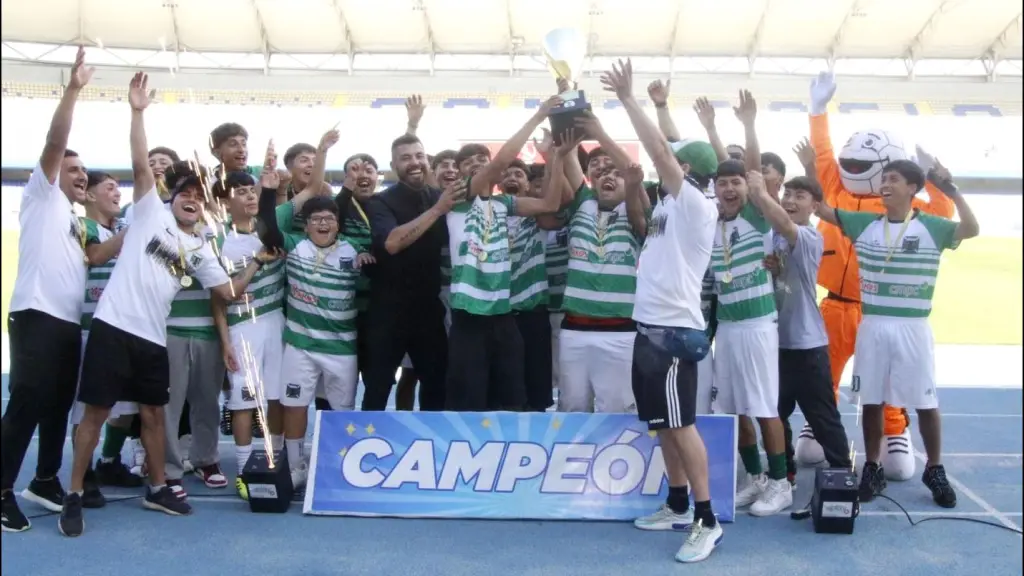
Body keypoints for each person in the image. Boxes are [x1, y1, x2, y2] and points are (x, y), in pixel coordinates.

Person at [59, 72, 278, 537]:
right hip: (113, 328)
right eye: (185, 195)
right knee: (96, 414)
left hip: (152, 338)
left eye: (199, 198)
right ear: (171, 199)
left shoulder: (201, 248)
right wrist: (138, 112)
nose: (192, 201)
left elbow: (227, 293)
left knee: (155, 414)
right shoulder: (148, 214)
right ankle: (74, 492)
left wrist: (258, 260)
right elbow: (141, 164)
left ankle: (158, 488)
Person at [799, 72, 955, 479]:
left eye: (891, 176)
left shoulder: (908, 208)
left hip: (880, 311)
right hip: (833, 305)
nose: (882, 181)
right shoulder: (837, 193)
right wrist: (817, 111)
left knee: (889, 382)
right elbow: (823, 155)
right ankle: (819, 422)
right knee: (823, 373)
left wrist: (935, 180)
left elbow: (944, 214)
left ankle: (894, 429)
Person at [604, 59, 722, 563]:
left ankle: (706, 518)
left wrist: (630, 100)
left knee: (681, 424)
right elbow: (661, 152)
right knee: (662, 422)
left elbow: (657, 148)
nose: (662, 162)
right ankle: (677, 503)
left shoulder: (695, 202)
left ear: (686, 169)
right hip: (650, 330)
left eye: (673, 160)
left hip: (673, 334)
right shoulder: (669, 205)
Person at [815, 159, 979, 508]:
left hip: (913, 327)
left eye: (893, 179)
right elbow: (825, 210)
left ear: (912, 188)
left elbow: (971, 228)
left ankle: (934, 468)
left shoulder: (932, 227)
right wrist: (811, 173)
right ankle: (872, 466)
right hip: (872, 325)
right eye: (883, 178)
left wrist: (951, 191)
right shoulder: (865, 223)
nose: (885, 184)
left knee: (925, 402)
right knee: (871, 399)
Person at [1, 47, 92, 533]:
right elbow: (56, 142)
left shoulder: (77, 224)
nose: (80, 176)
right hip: (35, 315)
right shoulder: (41, 194)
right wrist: (73, 88)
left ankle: (43, 479)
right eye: (74, 170)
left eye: (84, 173)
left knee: (58, 405)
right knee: (28, 402)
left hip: (64, 324)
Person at [752, 174, 853, 485]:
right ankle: (785, 472)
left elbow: (783, 223)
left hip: (807, 345)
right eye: (788, 194)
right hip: (774, 343)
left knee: (823, 417)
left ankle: (843, 476)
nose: (791, 201)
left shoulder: (810, 237)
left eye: (801, 196)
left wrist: (760, 192)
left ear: (816, 206)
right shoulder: (775, 238)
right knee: (775, 414)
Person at [362, 135, 453, 411]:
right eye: (406, 158)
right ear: (393, 165)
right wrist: (437, 211)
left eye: (419, 156)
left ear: (427, 160)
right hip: (387, 311)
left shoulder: (440, 197)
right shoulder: (381, 202)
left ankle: (432, 450)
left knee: (436, 388)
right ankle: (367, 446)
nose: (414, 163)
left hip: (428, 309)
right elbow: (392, 243)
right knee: (377, 390)